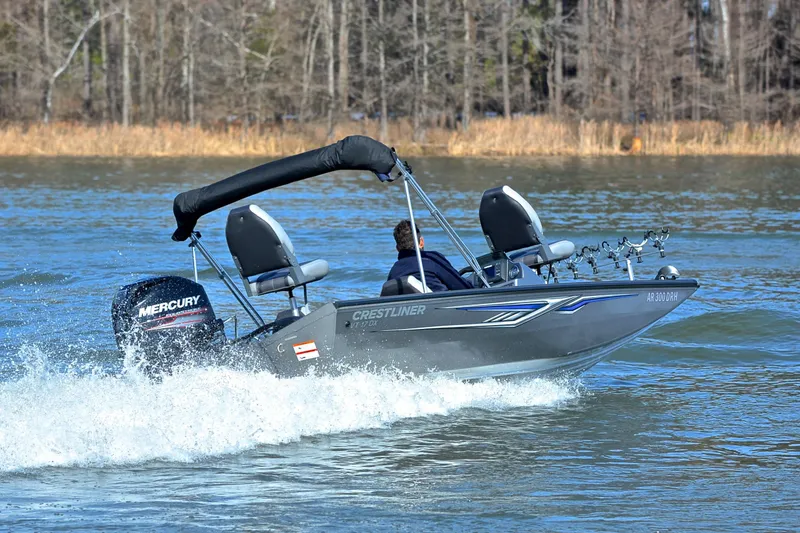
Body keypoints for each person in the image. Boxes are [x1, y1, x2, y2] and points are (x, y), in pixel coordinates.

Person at [387, 220, 473, 292]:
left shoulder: (394, 271)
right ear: (421, 242)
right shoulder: (433, 259)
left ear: (397, 248)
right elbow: (463, 287)